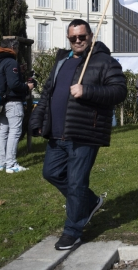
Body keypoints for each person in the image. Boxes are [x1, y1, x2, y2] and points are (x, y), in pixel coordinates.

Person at [31, 19, 127, 250]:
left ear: (91, 36)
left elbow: (119, 91)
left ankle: (72, 231)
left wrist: (87, 90)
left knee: (76, 183)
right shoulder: (61, 62)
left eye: (82, 37)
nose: (77, 41)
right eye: (73, 38)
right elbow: (46, 94)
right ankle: (91, 201)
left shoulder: (104, 61)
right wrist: (36, 120)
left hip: (85, 132)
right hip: (57, 133)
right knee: (51, 173)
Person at [0, 38, 34, 173]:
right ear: (13, 47)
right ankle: (11, 164)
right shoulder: (10, 61)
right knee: (14, 132)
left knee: (3, 132)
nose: (18, 51)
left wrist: (18, 70)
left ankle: (1, 163)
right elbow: (14, 84)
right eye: (18, 48)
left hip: (2, 102)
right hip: (13, 102)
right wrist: (27, 86)